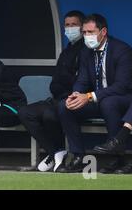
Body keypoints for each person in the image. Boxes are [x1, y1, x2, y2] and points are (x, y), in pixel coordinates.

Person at [57, 13, 132, 173]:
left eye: (91, 32)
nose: (86, 36)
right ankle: (78, 156)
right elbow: (82, 79)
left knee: (109, 102)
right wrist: (76, 94)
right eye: (84, 32)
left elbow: (120, 87)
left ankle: (117, 158)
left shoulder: (122, 51)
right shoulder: (85, 52)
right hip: (99, 98)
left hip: (128, 99)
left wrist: (89, 96)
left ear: (103, 32)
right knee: (65, 106)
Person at [18, 10, 85, 172]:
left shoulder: (86, 51)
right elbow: (55, 83)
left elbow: (79, 82)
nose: (70, 28)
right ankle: (54, 152)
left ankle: (61, 155)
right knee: (25, 112)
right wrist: (64, 81)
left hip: (76, 100)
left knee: (50, 115)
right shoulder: (66, 51)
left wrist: (66, 81)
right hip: (57, 98)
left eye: (74, 25)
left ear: (82, 27)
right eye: (67, 25)